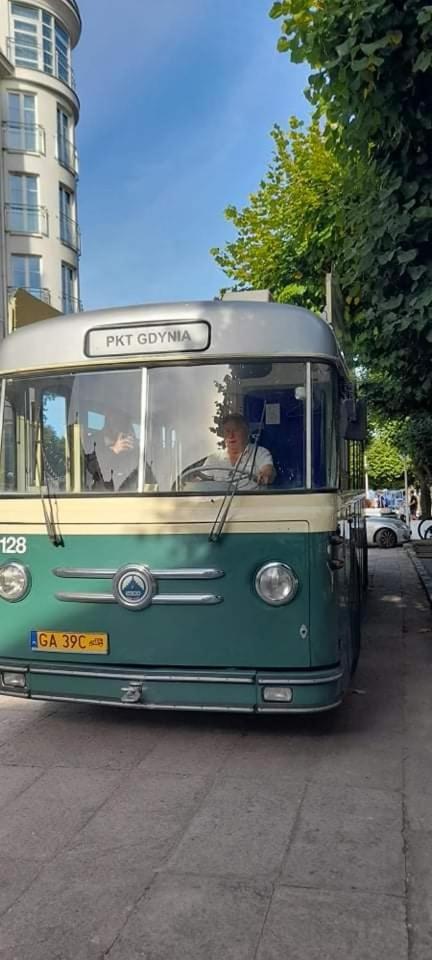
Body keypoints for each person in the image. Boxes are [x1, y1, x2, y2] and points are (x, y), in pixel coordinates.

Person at [200, 413, 275, 490]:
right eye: (227, 431)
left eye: (235, 430)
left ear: (246, 432)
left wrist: (265, 474)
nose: (231, 436)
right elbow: (200, 483)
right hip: (221, 498)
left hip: (251, 497)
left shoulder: (260, 452)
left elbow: (268, 470)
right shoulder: (214, 459)